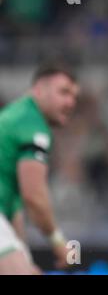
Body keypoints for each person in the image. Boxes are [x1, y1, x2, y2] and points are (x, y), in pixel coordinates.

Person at [0, 63, 80, 274]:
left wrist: (24, 257)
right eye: (64, 92)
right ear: (38, 89)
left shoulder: (16, 115)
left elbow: (13, 205)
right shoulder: (31, 122)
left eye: (74, 96)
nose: (70, 102)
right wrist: (59, 243)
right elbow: (33, 196)